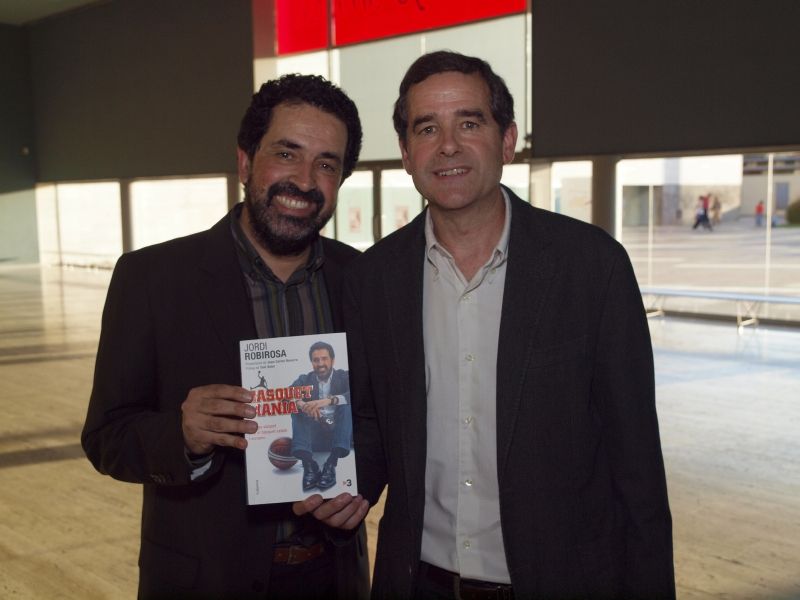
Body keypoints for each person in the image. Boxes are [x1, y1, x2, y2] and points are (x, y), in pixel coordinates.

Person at [340, 51, 675, 598]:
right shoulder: (373, 278)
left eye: (469, 122)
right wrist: (338, 481)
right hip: (419, 582)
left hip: (561, 580)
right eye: (428, 128)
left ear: (507, 139)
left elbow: (636, 464)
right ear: (405, 153)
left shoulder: (592, 267)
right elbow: (377, 421)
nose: (448, 145)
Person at [82, 74, 369, 599]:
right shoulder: (152, 279)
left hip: (333, 577)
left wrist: (362, 483)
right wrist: (183, 436)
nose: (305, 181)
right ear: (245, 162)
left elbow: (379, 420)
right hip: (203, 581)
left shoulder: (363, 280)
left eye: (326, 164)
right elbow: (106, 437)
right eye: (287, 153)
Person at [290, 341, 353, 491]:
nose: (320, 363)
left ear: (332, 360)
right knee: (296, 408)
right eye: (316, 360)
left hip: (339, 436)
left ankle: (331, 464)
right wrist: (304, 406)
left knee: (346, 406)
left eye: (324, 358)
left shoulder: (343, 376)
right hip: (314, 438)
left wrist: (330, 400)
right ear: (312, 362)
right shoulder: (304, 379)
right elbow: (288, 395)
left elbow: (357, 392)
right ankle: (309, 465)